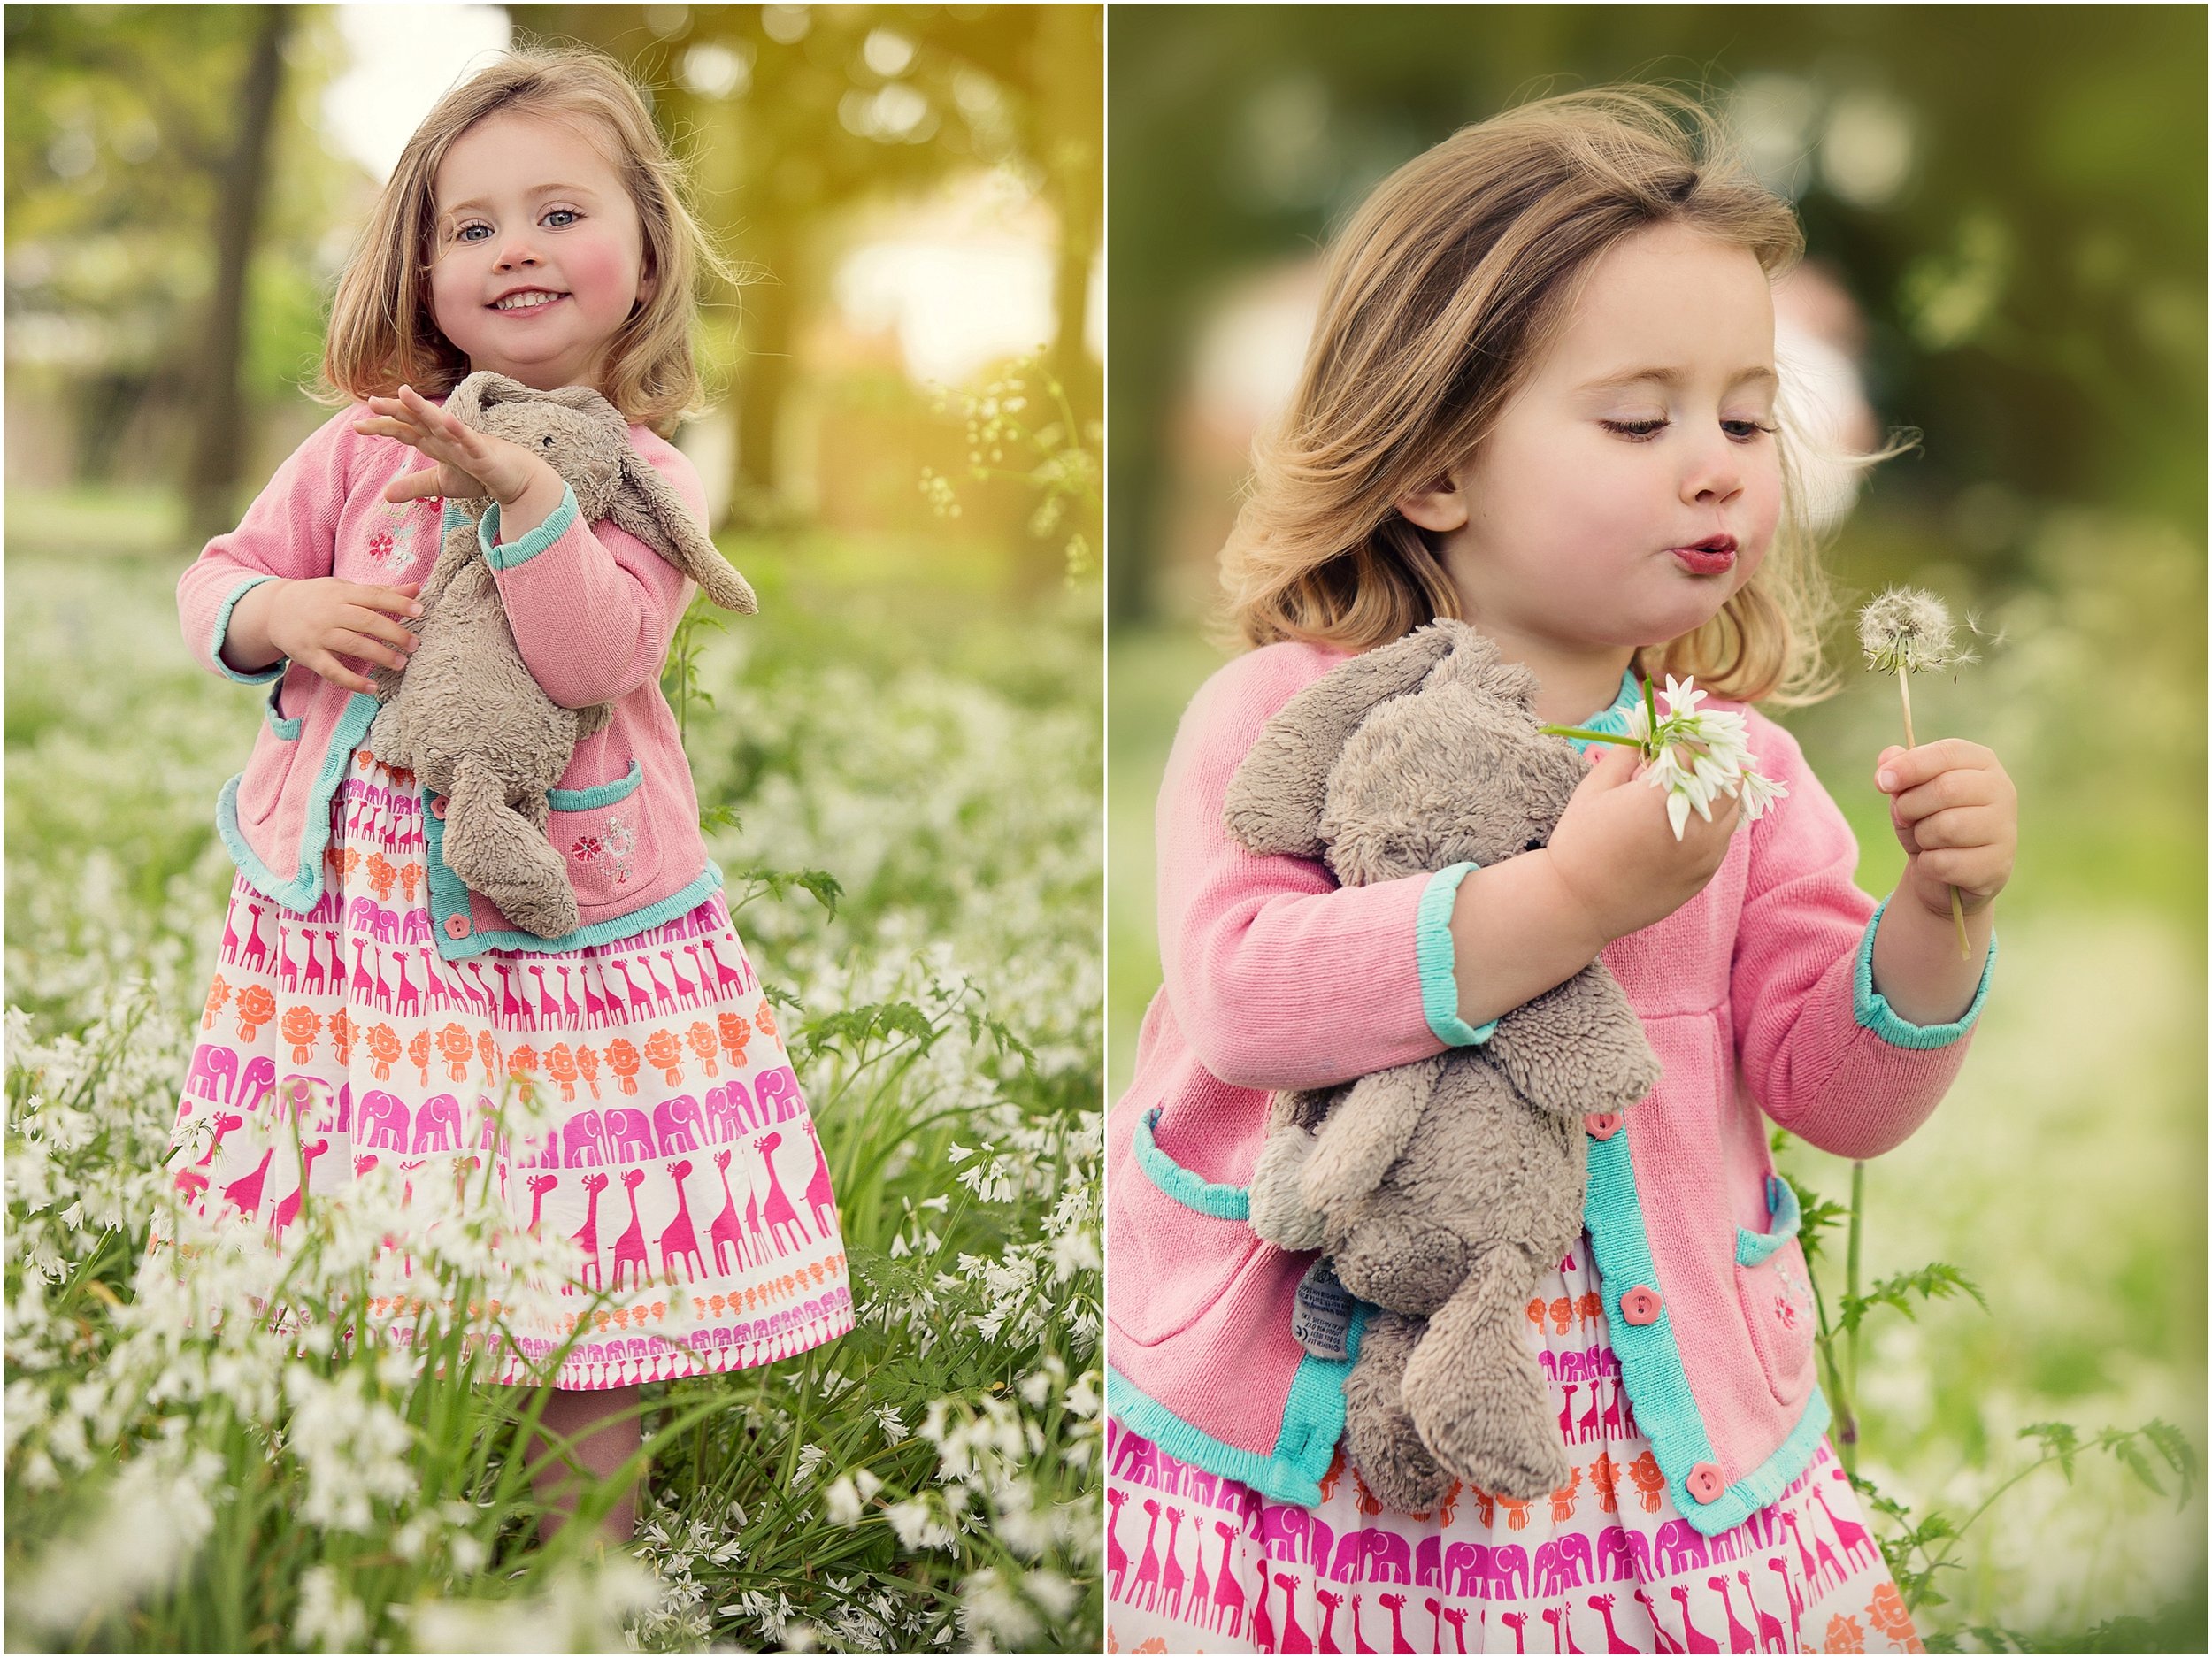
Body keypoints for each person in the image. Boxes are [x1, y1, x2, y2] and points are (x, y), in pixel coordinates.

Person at [1104, 87, 2015, 1653]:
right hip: (1331, 1445)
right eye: (1639, 418)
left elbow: (1836, 1094)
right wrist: (1575, 903)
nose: (1719, 465)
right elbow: (1251, 1000)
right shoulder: (1282, 719)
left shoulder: (1734, 764)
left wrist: (1934, 923)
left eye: (1745, 415)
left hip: (1656, 1448)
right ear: (1435, 464)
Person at [160, 48, 852, 1550]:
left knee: (563, 1242)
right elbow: (216, 572)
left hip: (562, 927)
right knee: (333, 1208)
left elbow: (597, 650)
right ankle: (311, 1509)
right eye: (471, 227)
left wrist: (529, 497)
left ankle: (576, 1571)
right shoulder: (363, 440)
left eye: (557, 211)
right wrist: (282, 613)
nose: (515, 247)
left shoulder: (642, 473)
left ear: (644, 255)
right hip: (352, 926)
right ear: (420, 267)